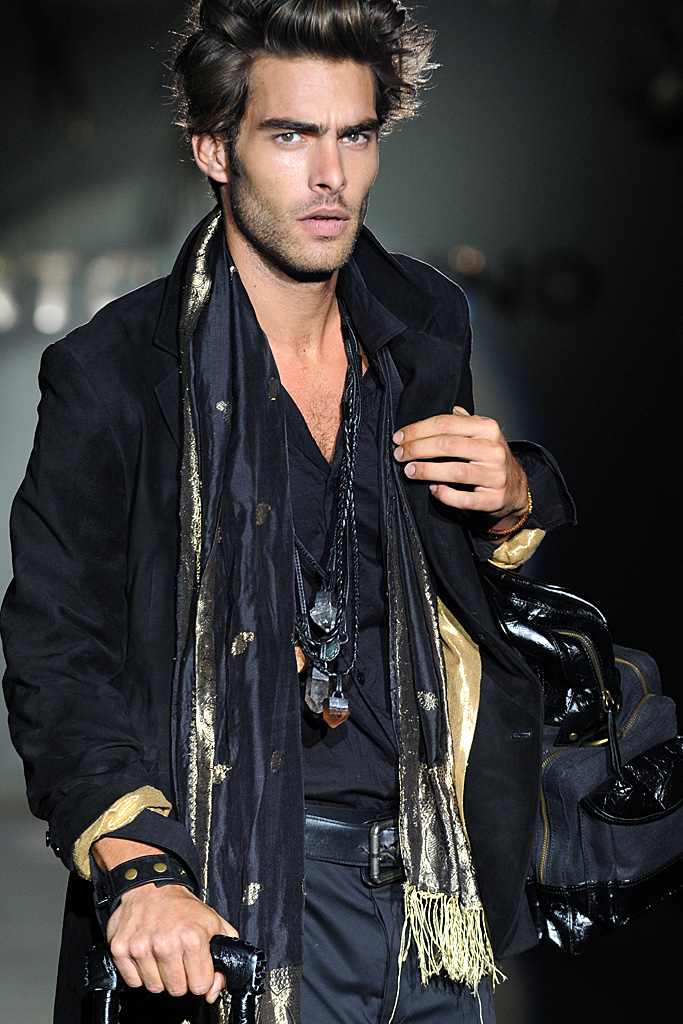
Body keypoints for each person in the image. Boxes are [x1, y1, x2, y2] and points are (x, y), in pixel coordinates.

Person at [1, 2, 575, 1023]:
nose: (330, 175)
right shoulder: (114, 373)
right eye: (290, 135)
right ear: (213, 150)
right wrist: (140, 868)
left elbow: (433, 593)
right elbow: (56, 646)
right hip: (239, 890)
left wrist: (513, 499)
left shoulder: (420, 322)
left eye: (354, 135)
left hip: (432, 894)